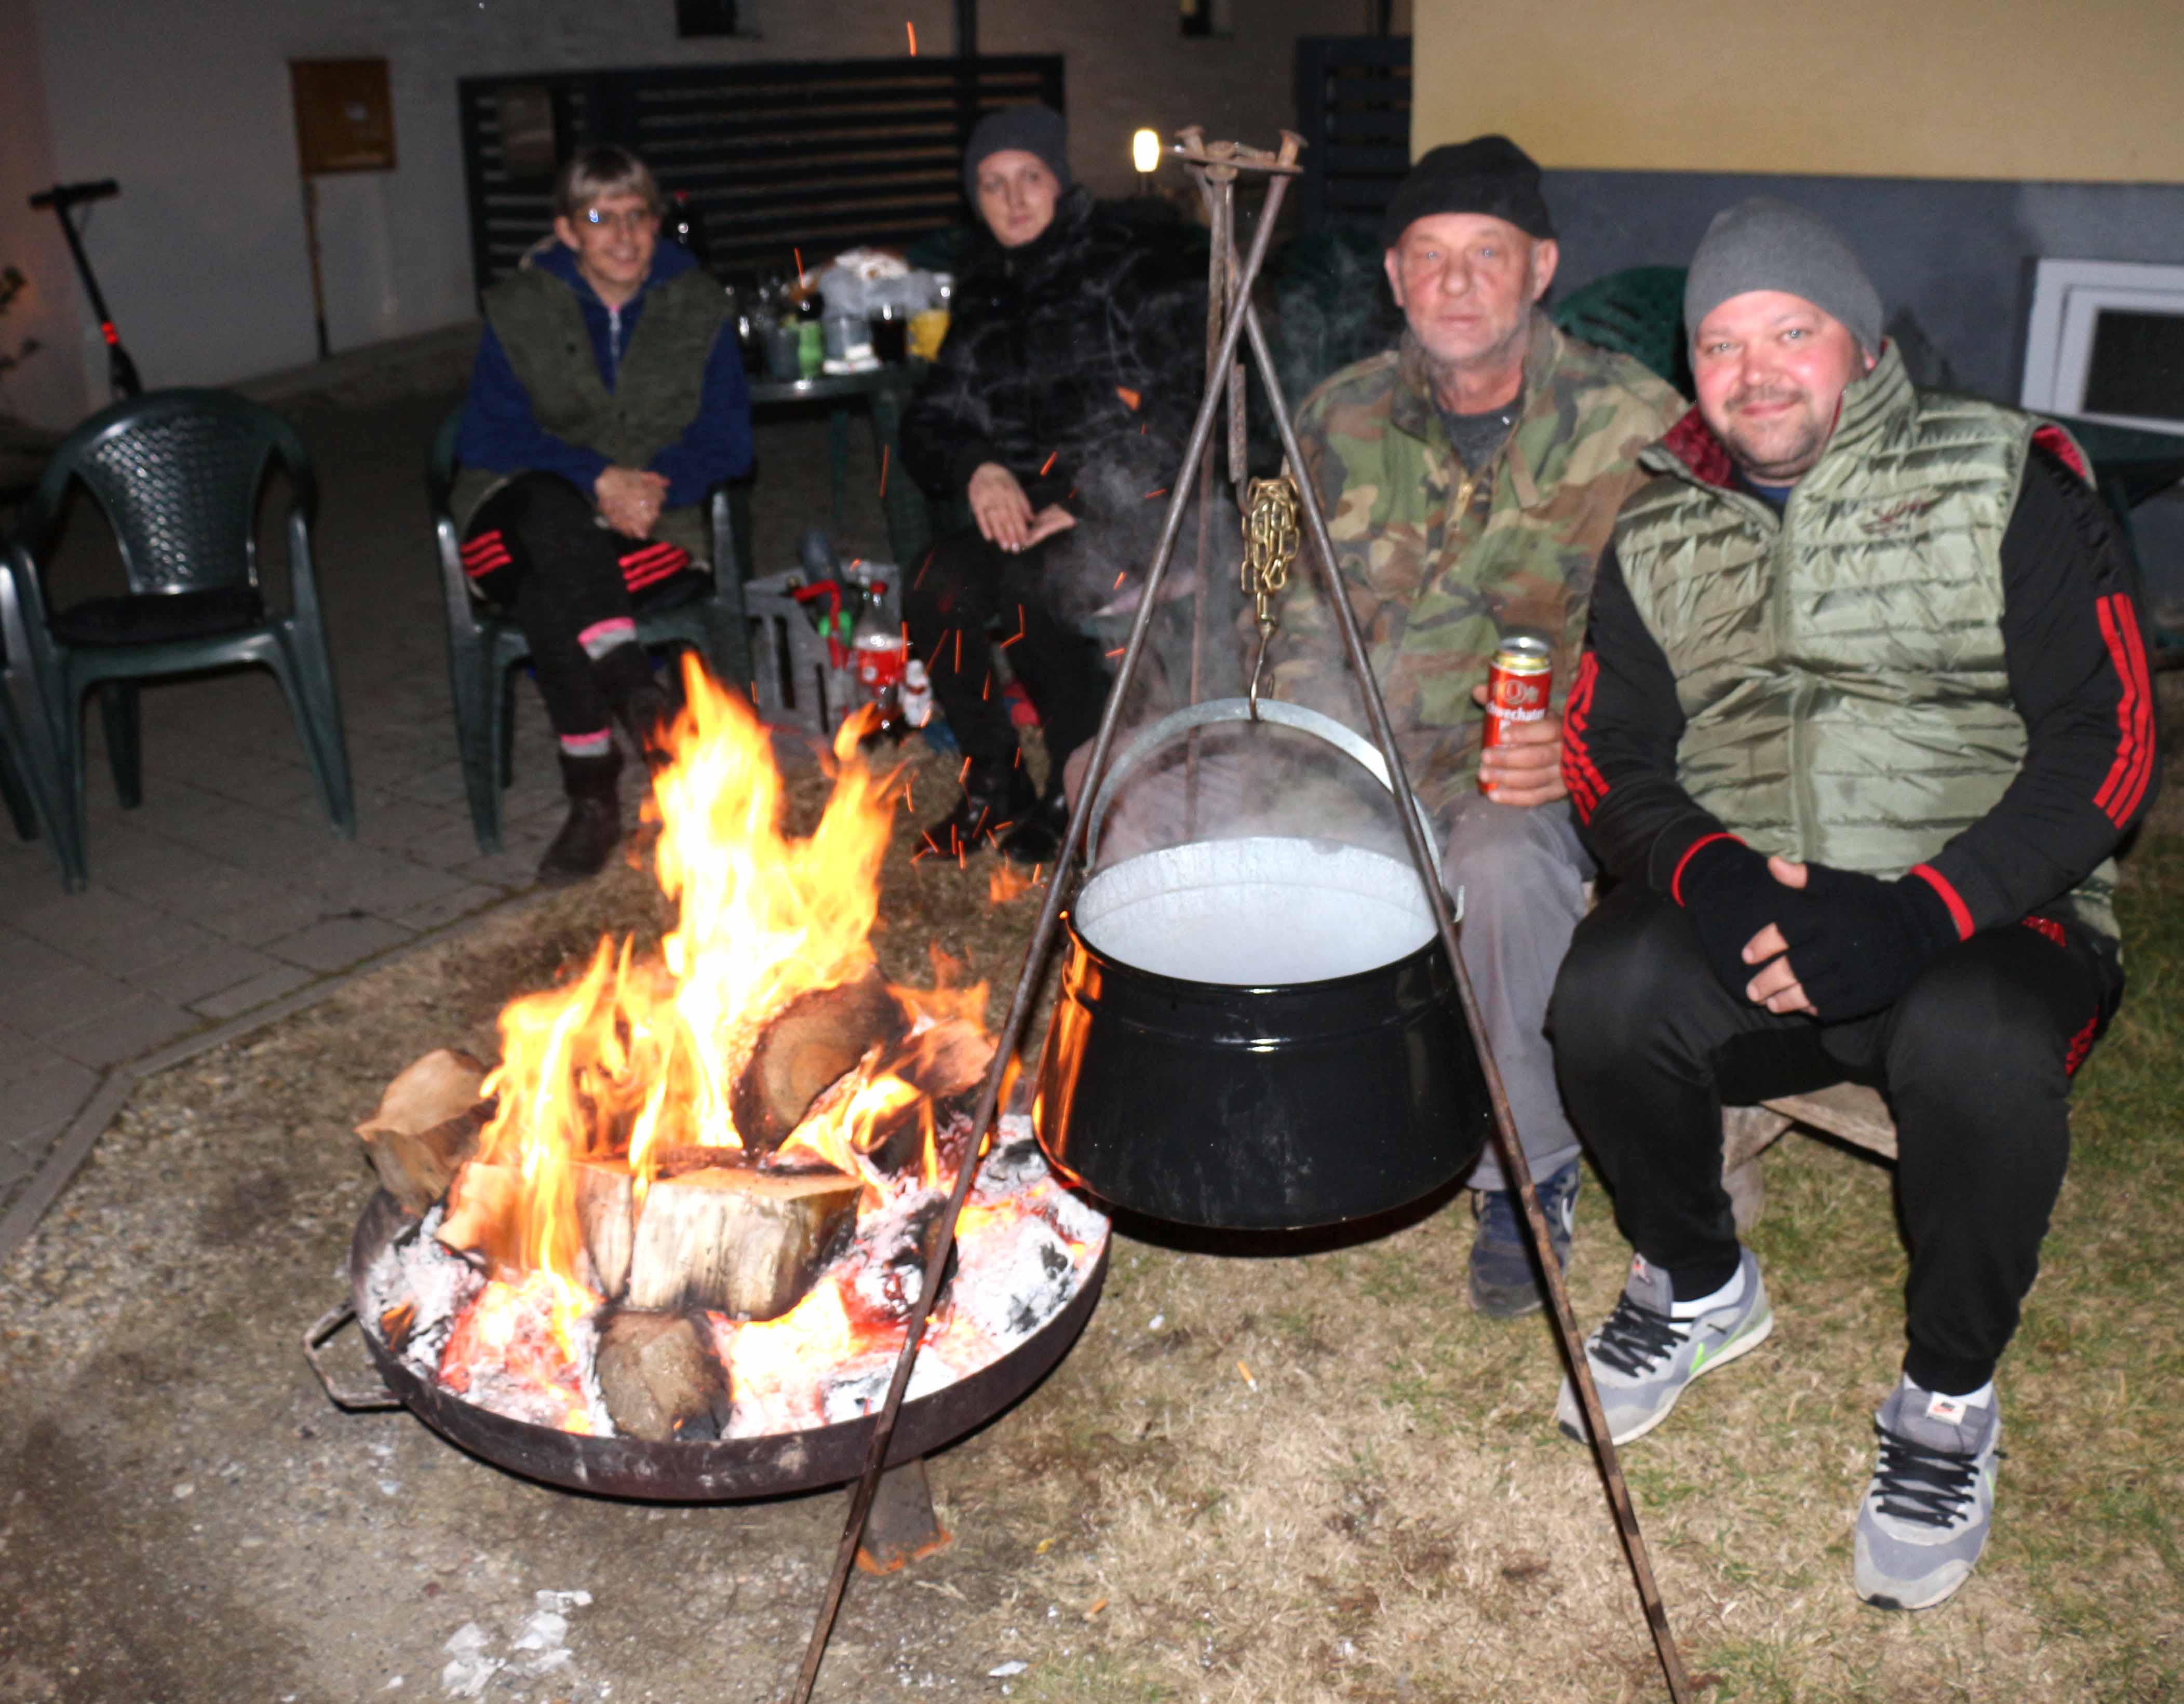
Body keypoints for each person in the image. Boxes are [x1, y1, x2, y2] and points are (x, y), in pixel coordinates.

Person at [1548, 198, 2155, 1610]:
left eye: (1788, 331)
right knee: (1602, 991)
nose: (1752, 372)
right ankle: (1696, 1280)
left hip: (1981, 912)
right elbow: (1605, 757)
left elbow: (2107, 742)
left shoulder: (2009, 474)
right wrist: (1706, 878)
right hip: (1750, 918)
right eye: (1717, 343)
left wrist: (1921, 909)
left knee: (1977, 1045)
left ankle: (1943, 1397)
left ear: (1859, 344)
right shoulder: (1656, 526)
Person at [1265, 136, 1681, 1316]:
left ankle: (1525, 1170)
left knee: (1500, 864)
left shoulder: (1634, 426)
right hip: (1361, 751)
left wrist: (1590, 743)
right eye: (1428, 258)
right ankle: (1295, 1100)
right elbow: (1284, 601)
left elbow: (1702, 647)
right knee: (1191, 822)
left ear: (1540, 266)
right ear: (1394, 276)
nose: (1455, 285)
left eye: (1485, 257)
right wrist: (1287, 732)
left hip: (1528, 771)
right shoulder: (1334, 415)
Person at [900, 104, 1202, 864]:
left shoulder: (1128, 269)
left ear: (1058, 182)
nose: (1012, 199)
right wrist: (978, 468)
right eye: (992, 184)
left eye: (1028, 178)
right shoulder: (983, 292)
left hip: (1144, 502)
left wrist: (1081, 503)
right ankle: (994, 787)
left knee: (1036, 587)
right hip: (1028, 501)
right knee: (937, 583)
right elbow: (929, 420)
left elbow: (1188, 410)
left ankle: (1080, 787)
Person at [451, 144, 752, 884]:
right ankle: (633, 690)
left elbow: (729, 441)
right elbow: (486, 436)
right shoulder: (520, 309)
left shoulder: (698, 307)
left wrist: (653, 485)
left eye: (637, 216)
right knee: (551, 513)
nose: (622, 236)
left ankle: (592, 798)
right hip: (510, 522)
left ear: (657, 223)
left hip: (646, 523)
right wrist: (596, 477)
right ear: (566, 232)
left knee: (556, 592)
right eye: (599, 218)